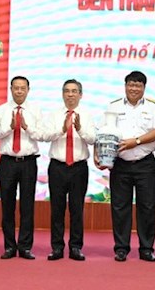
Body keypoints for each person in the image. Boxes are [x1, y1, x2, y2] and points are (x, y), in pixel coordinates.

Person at [97, 70, 155, 262]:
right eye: (131, 84)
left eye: (138, 85)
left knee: (147, 207)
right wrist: (99, 155)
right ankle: (121, 248)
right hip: (120, 164)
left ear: (144, 88)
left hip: (145, 163)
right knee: (120, 207)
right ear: (125, 86)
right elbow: (101, 132)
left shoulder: (153, 107)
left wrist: (136, 141)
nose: (134, 88)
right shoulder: (114, 106)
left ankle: (146, 248)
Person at [0, 76, 43, 260]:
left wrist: (27, 128)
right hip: (7, 162)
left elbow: (42, 135)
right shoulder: (1, 110)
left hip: (28, 162)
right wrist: (9, 128)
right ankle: (9, 246)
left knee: (27, 206)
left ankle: (25, 247)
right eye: (16, 88)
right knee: (7, 206)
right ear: (11, 89)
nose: (19, 91)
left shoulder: (35, 110)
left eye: (23, 88)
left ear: (28, 90)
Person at [46, 79, 96, 261]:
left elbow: (93, 139)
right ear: (62, 94)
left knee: (77, 209)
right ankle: (57, 247)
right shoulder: (53, 115)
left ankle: (76, 247)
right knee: (57, 209)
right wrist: (62, 129)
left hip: (78, 168)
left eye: (74, 91)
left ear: (80, 95)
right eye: (67, 91)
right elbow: (45, 136)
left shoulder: (87, 115)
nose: (70, 94)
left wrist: (80, 129)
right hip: (57, 167)